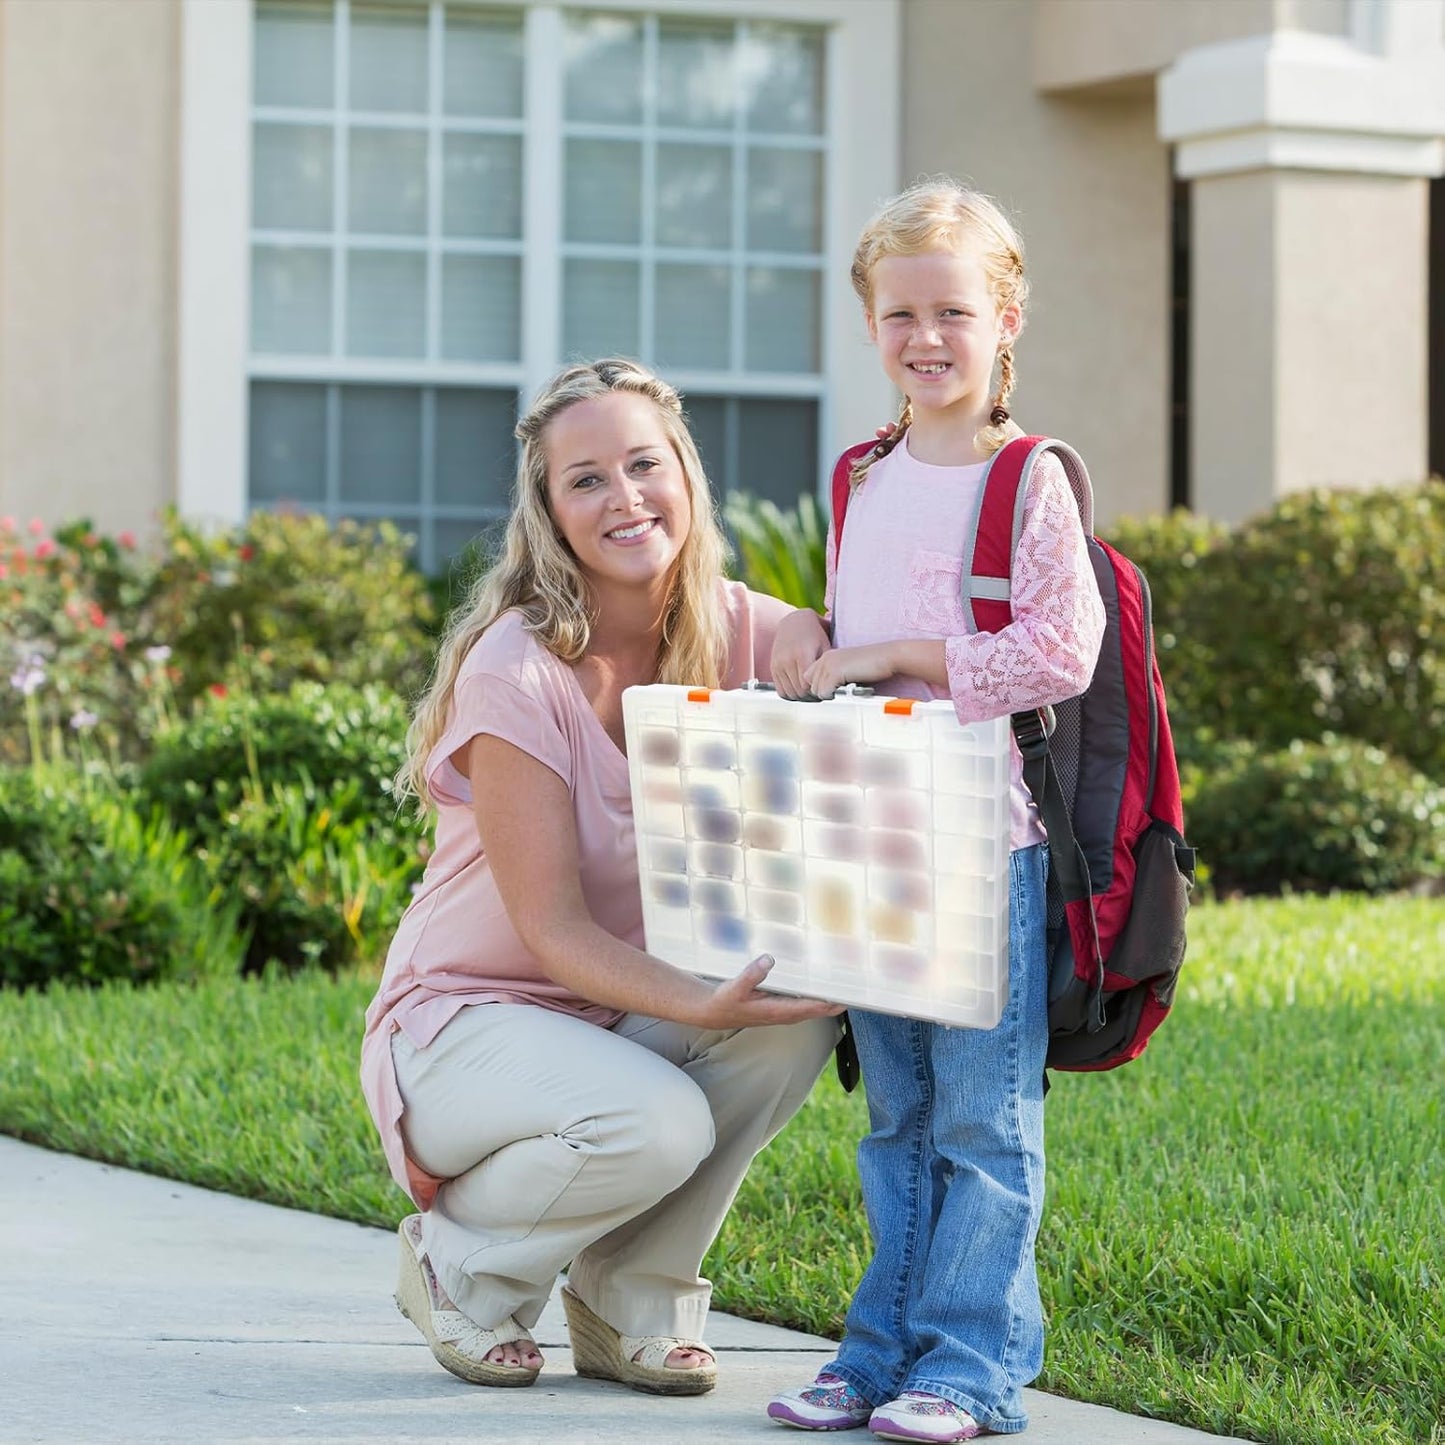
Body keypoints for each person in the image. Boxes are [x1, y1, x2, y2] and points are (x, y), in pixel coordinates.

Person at [360, 358, 841, 1398]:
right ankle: (465, 1267)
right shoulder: (514, 671)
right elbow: (553, 932)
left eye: (641, 464)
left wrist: (811, 636)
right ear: (550, 515)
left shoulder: (724, 627)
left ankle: (630, 1295)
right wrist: (702, 1000)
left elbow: (804, 639)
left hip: (607, 1021)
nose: (623, 497)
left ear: (684, 476)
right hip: (465, 1026)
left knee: (791, 1020)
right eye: (585, 479)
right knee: (657, 1115)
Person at [766, 181, 1106, 1441]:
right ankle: (875, 1355)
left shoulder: (1028, 478)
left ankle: (969, 1369)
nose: (926, 336)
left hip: (983, 844)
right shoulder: (861, 473)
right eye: (900, 312)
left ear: (1004, 316)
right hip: (873, 837)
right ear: (869, 322)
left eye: (953, 310)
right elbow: (847, 642)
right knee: (896, 1115)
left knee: (982, 1121)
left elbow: (1061, 650)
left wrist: (902, 653)